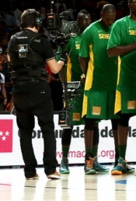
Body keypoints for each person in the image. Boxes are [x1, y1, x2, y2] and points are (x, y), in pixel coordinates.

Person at [7, 8, 65, 180]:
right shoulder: (41, 40)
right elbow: (54, 69)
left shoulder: (13, 39)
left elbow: (10, 61)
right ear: (37, 23)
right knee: (47, 128)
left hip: (19, 91)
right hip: (38, 89)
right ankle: (50, 169)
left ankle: (30, 172)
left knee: (24, 132)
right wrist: (63, 58)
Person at [107, 0, 136, 175]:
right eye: (135, 2)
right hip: (126, 80)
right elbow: (112, 51)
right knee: (124, 118)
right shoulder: (120, 24)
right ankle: (121, 159)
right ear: (129, 5)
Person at [79, 4, 118, 175]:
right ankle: (89, 161)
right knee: (91, 122)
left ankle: (119, 160)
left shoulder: (117, 28)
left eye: (112, 19)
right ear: (101, 14)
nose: (110, 22)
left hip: (114, 85)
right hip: (95, 85)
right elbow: (82, 58)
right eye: (107, 18)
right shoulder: (90, 30)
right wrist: (88, 74)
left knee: (116, 122)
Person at [59, 10, 92, 174]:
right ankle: (64, 160)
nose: (86, 21)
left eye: (88, 19)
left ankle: (92, 161)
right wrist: (65, 85)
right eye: (82, 19)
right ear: (77, 22)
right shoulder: (71, 39)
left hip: (91, 87)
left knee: (93, 123)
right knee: (68, 125)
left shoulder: (94, 37)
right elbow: (60, 64)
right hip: (73, 87)